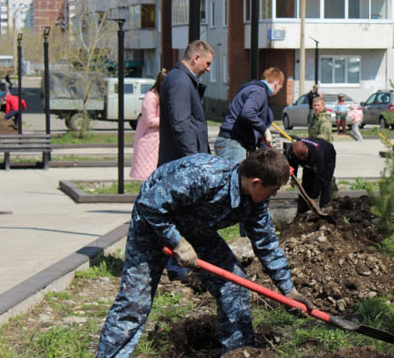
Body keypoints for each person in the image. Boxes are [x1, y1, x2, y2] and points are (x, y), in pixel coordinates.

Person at [96, 149, 313, 357]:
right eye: (273, 189)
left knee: (233, 287)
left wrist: (288, 290)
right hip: (153, 224)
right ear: (256, 182)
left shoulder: (256, 201)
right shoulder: (203, 176)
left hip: (196, 229)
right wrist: (177, 241)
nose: (274, 194)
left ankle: (238, 353)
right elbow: (149, 205)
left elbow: (266, 242)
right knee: (134, 303)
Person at [158, 40, 214, 166]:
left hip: (182, 160)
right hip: (181, 163)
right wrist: (193, 160)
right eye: (207, 63)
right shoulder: (180, 81)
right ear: (196, 58)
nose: (208, 68)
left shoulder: (180, 79)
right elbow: (181, 124)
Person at [216, 67, 284, 161]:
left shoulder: (251, 89)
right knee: (234, 175)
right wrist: (264, 129)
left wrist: (266, 147)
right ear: (277, 83)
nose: (277, 93)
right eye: (280, 89)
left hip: (231, 141)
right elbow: (248, 113)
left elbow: (251, 123)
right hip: (233, 142)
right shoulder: (259, 92)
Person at [130, 70, 167, 181]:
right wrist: (167, 120)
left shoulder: (162, 96)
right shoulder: (151, 96)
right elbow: (149, 120)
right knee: (149, 175)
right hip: (149, 139)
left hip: (158, 139)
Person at [285, 138, 336, 213]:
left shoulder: (317, 153)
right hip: (309, 162)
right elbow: (292, 166)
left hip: (327, 155)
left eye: (304, 155)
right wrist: (293, 178)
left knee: (325, 182)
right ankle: (302, 210)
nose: (302, 158)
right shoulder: (291, 153)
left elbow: (319, 176)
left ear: (306, 148)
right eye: (300, 157)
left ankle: (324, 206)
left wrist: (313, 196)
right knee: (305, 183)